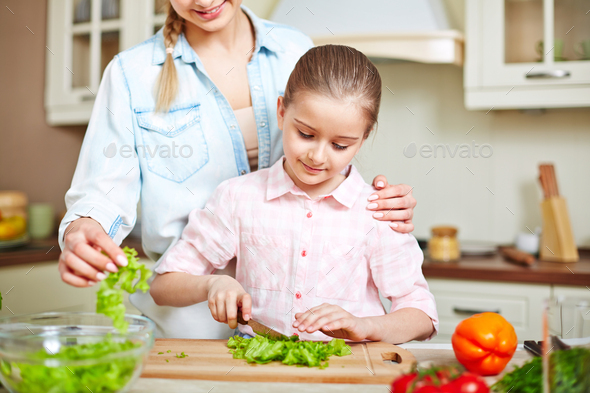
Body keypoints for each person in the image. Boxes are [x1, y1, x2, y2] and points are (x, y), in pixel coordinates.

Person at [58, 0, 418, 339]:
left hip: (279, 322)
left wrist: (377, 201)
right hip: (187, 318)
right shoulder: (131, 74)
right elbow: (101, 193)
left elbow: (325, 149)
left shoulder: (293, 49)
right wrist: (83, 230)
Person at [150, 45, 438, 343]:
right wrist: (212, 284)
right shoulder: (239, 197)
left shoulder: (377, 211)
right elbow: (162, 287)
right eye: (305, 134)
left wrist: (367, 326)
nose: (317, 156)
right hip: (256, 374)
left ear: (363, 138)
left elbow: (422, 315)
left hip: (349, 377)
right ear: (281, 112)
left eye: (340, 145)